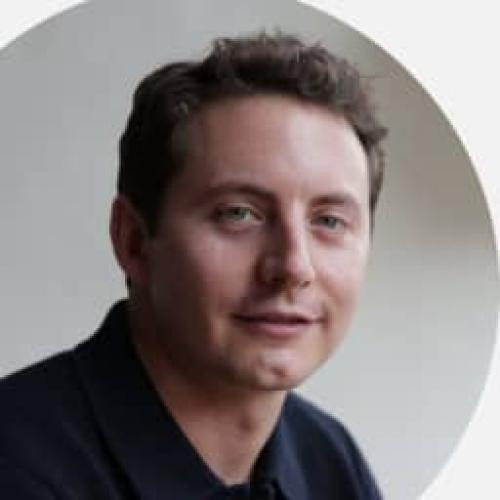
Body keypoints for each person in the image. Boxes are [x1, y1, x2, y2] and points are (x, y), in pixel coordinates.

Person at [0, 33, 386, 499]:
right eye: (238, 213)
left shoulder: (331, 462)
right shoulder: (15, 465)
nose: (293, 267)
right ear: (134, 241)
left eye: (329, 221)